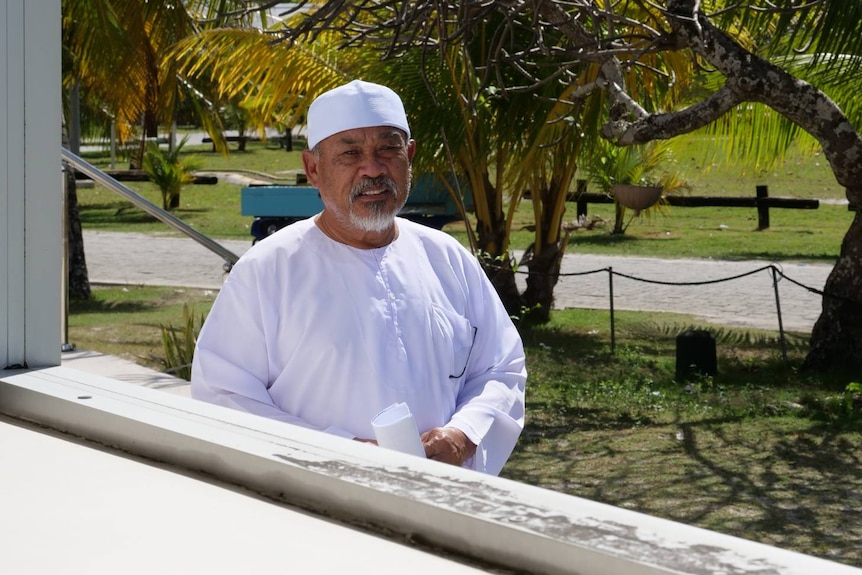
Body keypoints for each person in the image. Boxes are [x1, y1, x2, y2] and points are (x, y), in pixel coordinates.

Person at [190, 80, 526, 475]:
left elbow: (500, 367)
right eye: (350, 153)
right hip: (317, 506)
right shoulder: (268, 270)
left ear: (410, 156)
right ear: (313, 169)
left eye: (388, 148)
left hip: (441, 497)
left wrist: (463, 434)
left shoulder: (446, 257)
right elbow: (223, 395)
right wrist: (339, 452)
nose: (373, 168)